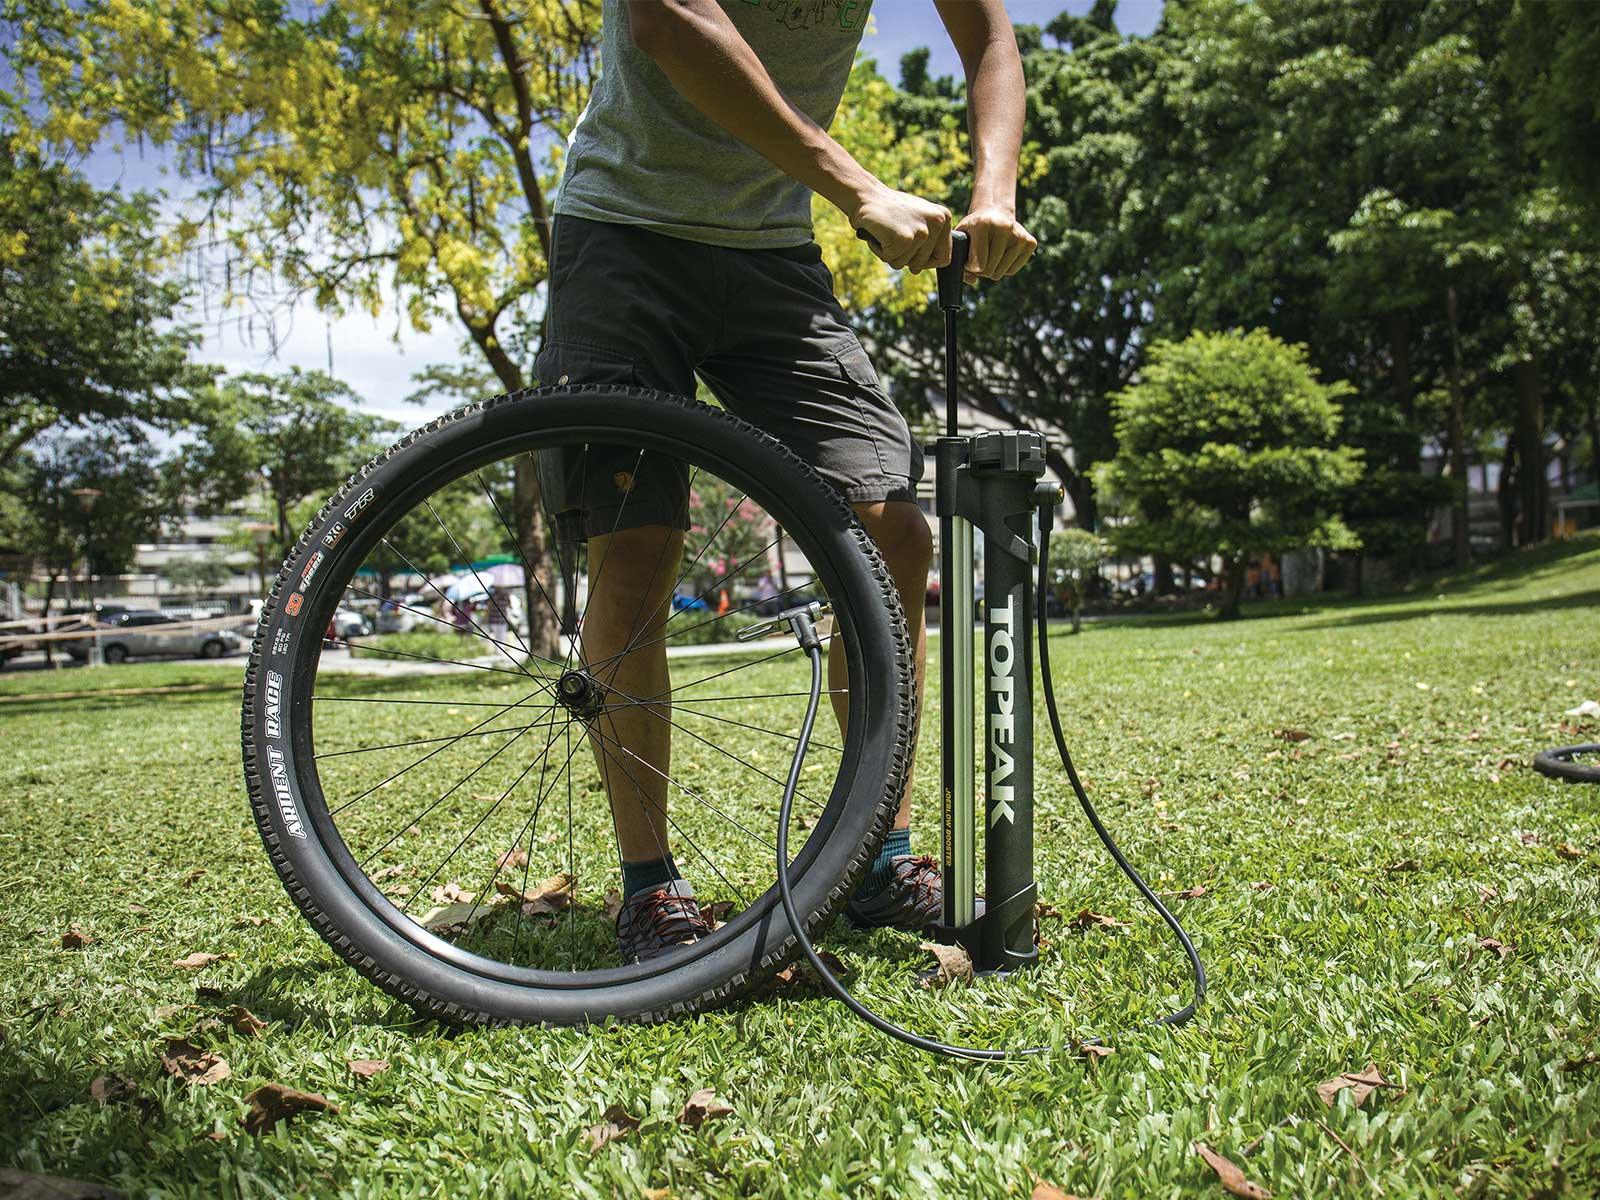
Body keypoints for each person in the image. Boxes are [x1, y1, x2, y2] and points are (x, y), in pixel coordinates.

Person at [539, 0, 1038, 962]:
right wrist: (860, 188)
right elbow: (664, 21)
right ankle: (651, 887)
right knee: (636, 547)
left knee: (893, 529)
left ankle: (879, 860)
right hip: (621, 231)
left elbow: (990, 39)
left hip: (769, 251)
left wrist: (995, 192)